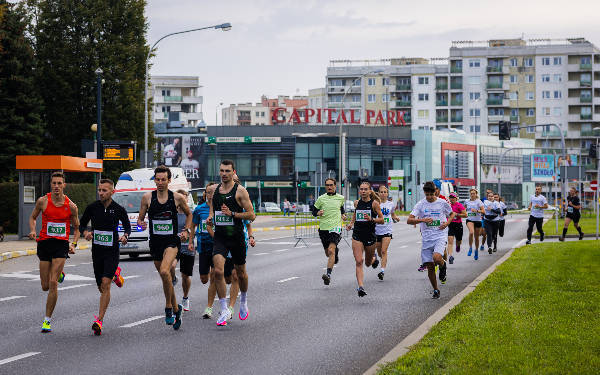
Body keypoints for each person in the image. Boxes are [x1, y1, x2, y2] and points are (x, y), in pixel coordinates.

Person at [137, 165, 193, 330]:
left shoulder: (176, 198)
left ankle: (168, 307)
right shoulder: (147, 198)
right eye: (157, 179)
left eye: (163, 179)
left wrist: (186, 230)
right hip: (155, 243)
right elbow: (140, 220)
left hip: (171, 242)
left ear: (169, 180)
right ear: (154, 180)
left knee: (164, 271)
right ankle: (177, 310)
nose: (160, 182)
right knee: (166, 278)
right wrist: (141, 223)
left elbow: (189, 214)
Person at [29, 171, 80, 333]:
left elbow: (77, 228)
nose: (57, 186)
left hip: (61, 245)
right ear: (51, 185)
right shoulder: (43, 201)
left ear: (64, 185)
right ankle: (60, 274)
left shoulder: (71, 206)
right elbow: (33, 218)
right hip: (44, 244)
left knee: (52, 283)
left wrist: (74, 243)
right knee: (44, 286)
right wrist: (32, 230)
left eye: (59, 183)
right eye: (54, 183)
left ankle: (47, 320)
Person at [207, 160, 256, 326]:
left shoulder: (240, 191)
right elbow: (213, 210)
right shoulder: (214, 190)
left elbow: (251, 215)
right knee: (218, 272)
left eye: (227, 171)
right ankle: (224, 308)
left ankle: (243, 301)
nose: (224, 174)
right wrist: (211, 217)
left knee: (240, 274)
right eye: (221, 170)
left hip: (236, 238)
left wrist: (233, 214)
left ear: (233, 172)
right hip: (220, 237)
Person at [79, 179, 131, 335]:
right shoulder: (92, 208)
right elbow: (81, 224)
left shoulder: (118, 209)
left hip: (112, 251)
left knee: (105, 283)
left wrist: (125, 236)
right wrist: (86, 232)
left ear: (112, 192)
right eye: (99, 190)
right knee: (101, 287)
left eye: (104, 190)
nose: (100, 193)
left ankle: (99, 320)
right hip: (97, 252)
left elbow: (127, 226)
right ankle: (115, 274)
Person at [407, 181, 454, 299]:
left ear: (435, 192)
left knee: (437, 257)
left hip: (440, 235)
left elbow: (452, 214)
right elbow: (409, 220)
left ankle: (443, 266)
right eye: (426, 194)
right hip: (427, 238)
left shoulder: (442, 203)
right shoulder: (420, 204)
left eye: (431, 195)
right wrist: (422, 220)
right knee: (430, 266)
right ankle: (436, 290)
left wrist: (447, 223)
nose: (428, 197)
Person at [346, 181, 384, 297]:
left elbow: (382, 220)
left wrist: (371, 219)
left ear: (369, 191)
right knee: (359, 261)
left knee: (367, 263)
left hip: (370, 236)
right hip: (357, 235)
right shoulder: (357, 203)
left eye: (365, 189)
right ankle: (360, 287)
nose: (363, 191)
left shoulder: (375, 204)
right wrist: (351, 224)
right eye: (361, 189)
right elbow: (355, 215)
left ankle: (373, 260)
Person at [313, 178, 345, 286]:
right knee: (328, 253)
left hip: (336, 227)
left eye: (331, 185)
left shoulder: (340, 198)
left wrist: (343, 215)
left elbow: (341, 209)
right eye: (327, 185)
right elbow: (313, 211)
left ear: (335, 186)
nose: (329, 187)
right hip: (323, 228)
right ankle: (335, 253)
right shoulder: (321, 198)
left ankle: (328, 275)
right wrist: (318, 212)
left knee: (331, 250)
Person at [192, 183, 218, 319]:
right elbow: (193, 224)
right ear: (205, 194)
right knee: (204, 279)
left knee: (214, 275)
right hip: (203, 246)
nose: (211, 195)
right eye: (209, 192)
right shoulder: (199, 209)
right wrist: (191, 240)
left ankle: (209, 307)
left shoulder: (220, 208)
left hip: (217, 246)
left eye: (213, 192)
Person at [373, 186, 400, 280]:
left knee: (384, 251)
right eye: (381, 192)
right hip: (377, 231)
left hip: (387, 230)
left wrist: (395, 217)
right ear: (378, 193)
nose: (383, 193)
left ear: (387, 194)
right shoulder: (375, 204)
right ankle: (381, 260)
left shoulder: (391, 204)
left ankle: (382, 271)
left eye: (385, 192)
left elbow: (392, 213)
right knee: (380, 252)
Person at [175, 189, 195, 312]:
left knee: (185, 275)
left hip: (187, 247)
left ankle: (185, 298)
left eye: (184, 198)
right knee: (169, 268)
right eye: (179, 198)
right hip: (174, 246)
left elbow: (195, 230)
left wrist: (189, 237)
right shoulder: (172, 214)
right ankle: (172, 277)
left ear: (187, 200)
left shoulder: (192, 214)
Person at [465, 189, 485, 260]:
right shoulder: (467, 201)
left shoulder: (479, 202)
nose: (472, 195)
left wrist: (477, 211)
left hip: (478, 221)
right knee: (471, 232)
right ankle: (470, 248)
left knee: (476, 238)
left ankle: (476, 250)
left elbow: (483, 211)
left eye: (474, 193)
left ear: (476, 194)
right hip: (470, 220)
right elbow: (464, 209)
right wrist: (464, 213)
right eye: (471, 193)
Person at [447, 193, 467, 264]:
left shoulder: (459, 205)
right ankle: (450, 256)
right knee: (450, 241)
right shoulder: (447, 205)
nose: (452, 199)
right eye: (450, 197)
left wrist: (457, 214)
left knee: (459, 240)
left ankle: (458, 245)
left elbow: (465, 215)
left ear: (456, 198)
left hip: (458, 224)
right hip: (450, 224)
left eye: (453, 197)